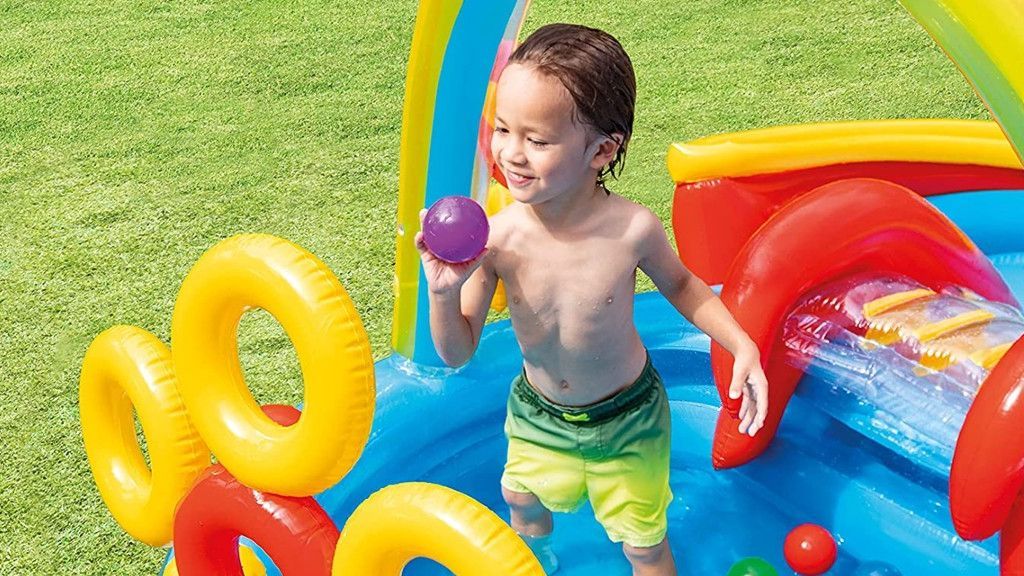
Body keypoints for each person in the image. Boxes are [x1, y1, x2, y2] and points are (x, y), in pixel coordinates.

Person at [415, 23, 769, 576]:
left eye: (537, 140)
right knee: (521, 499)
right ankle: (544, 561)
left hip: (629, 416)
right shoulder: (498, 239)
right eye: (503, 129)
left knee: (644, 544)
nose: (512, 153)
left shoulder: (629, 230)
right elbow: (457, 351)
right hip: (537, 414)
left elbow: (682, 285)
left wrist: (739, 343)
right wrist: (442, 294)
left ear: (602, 150)